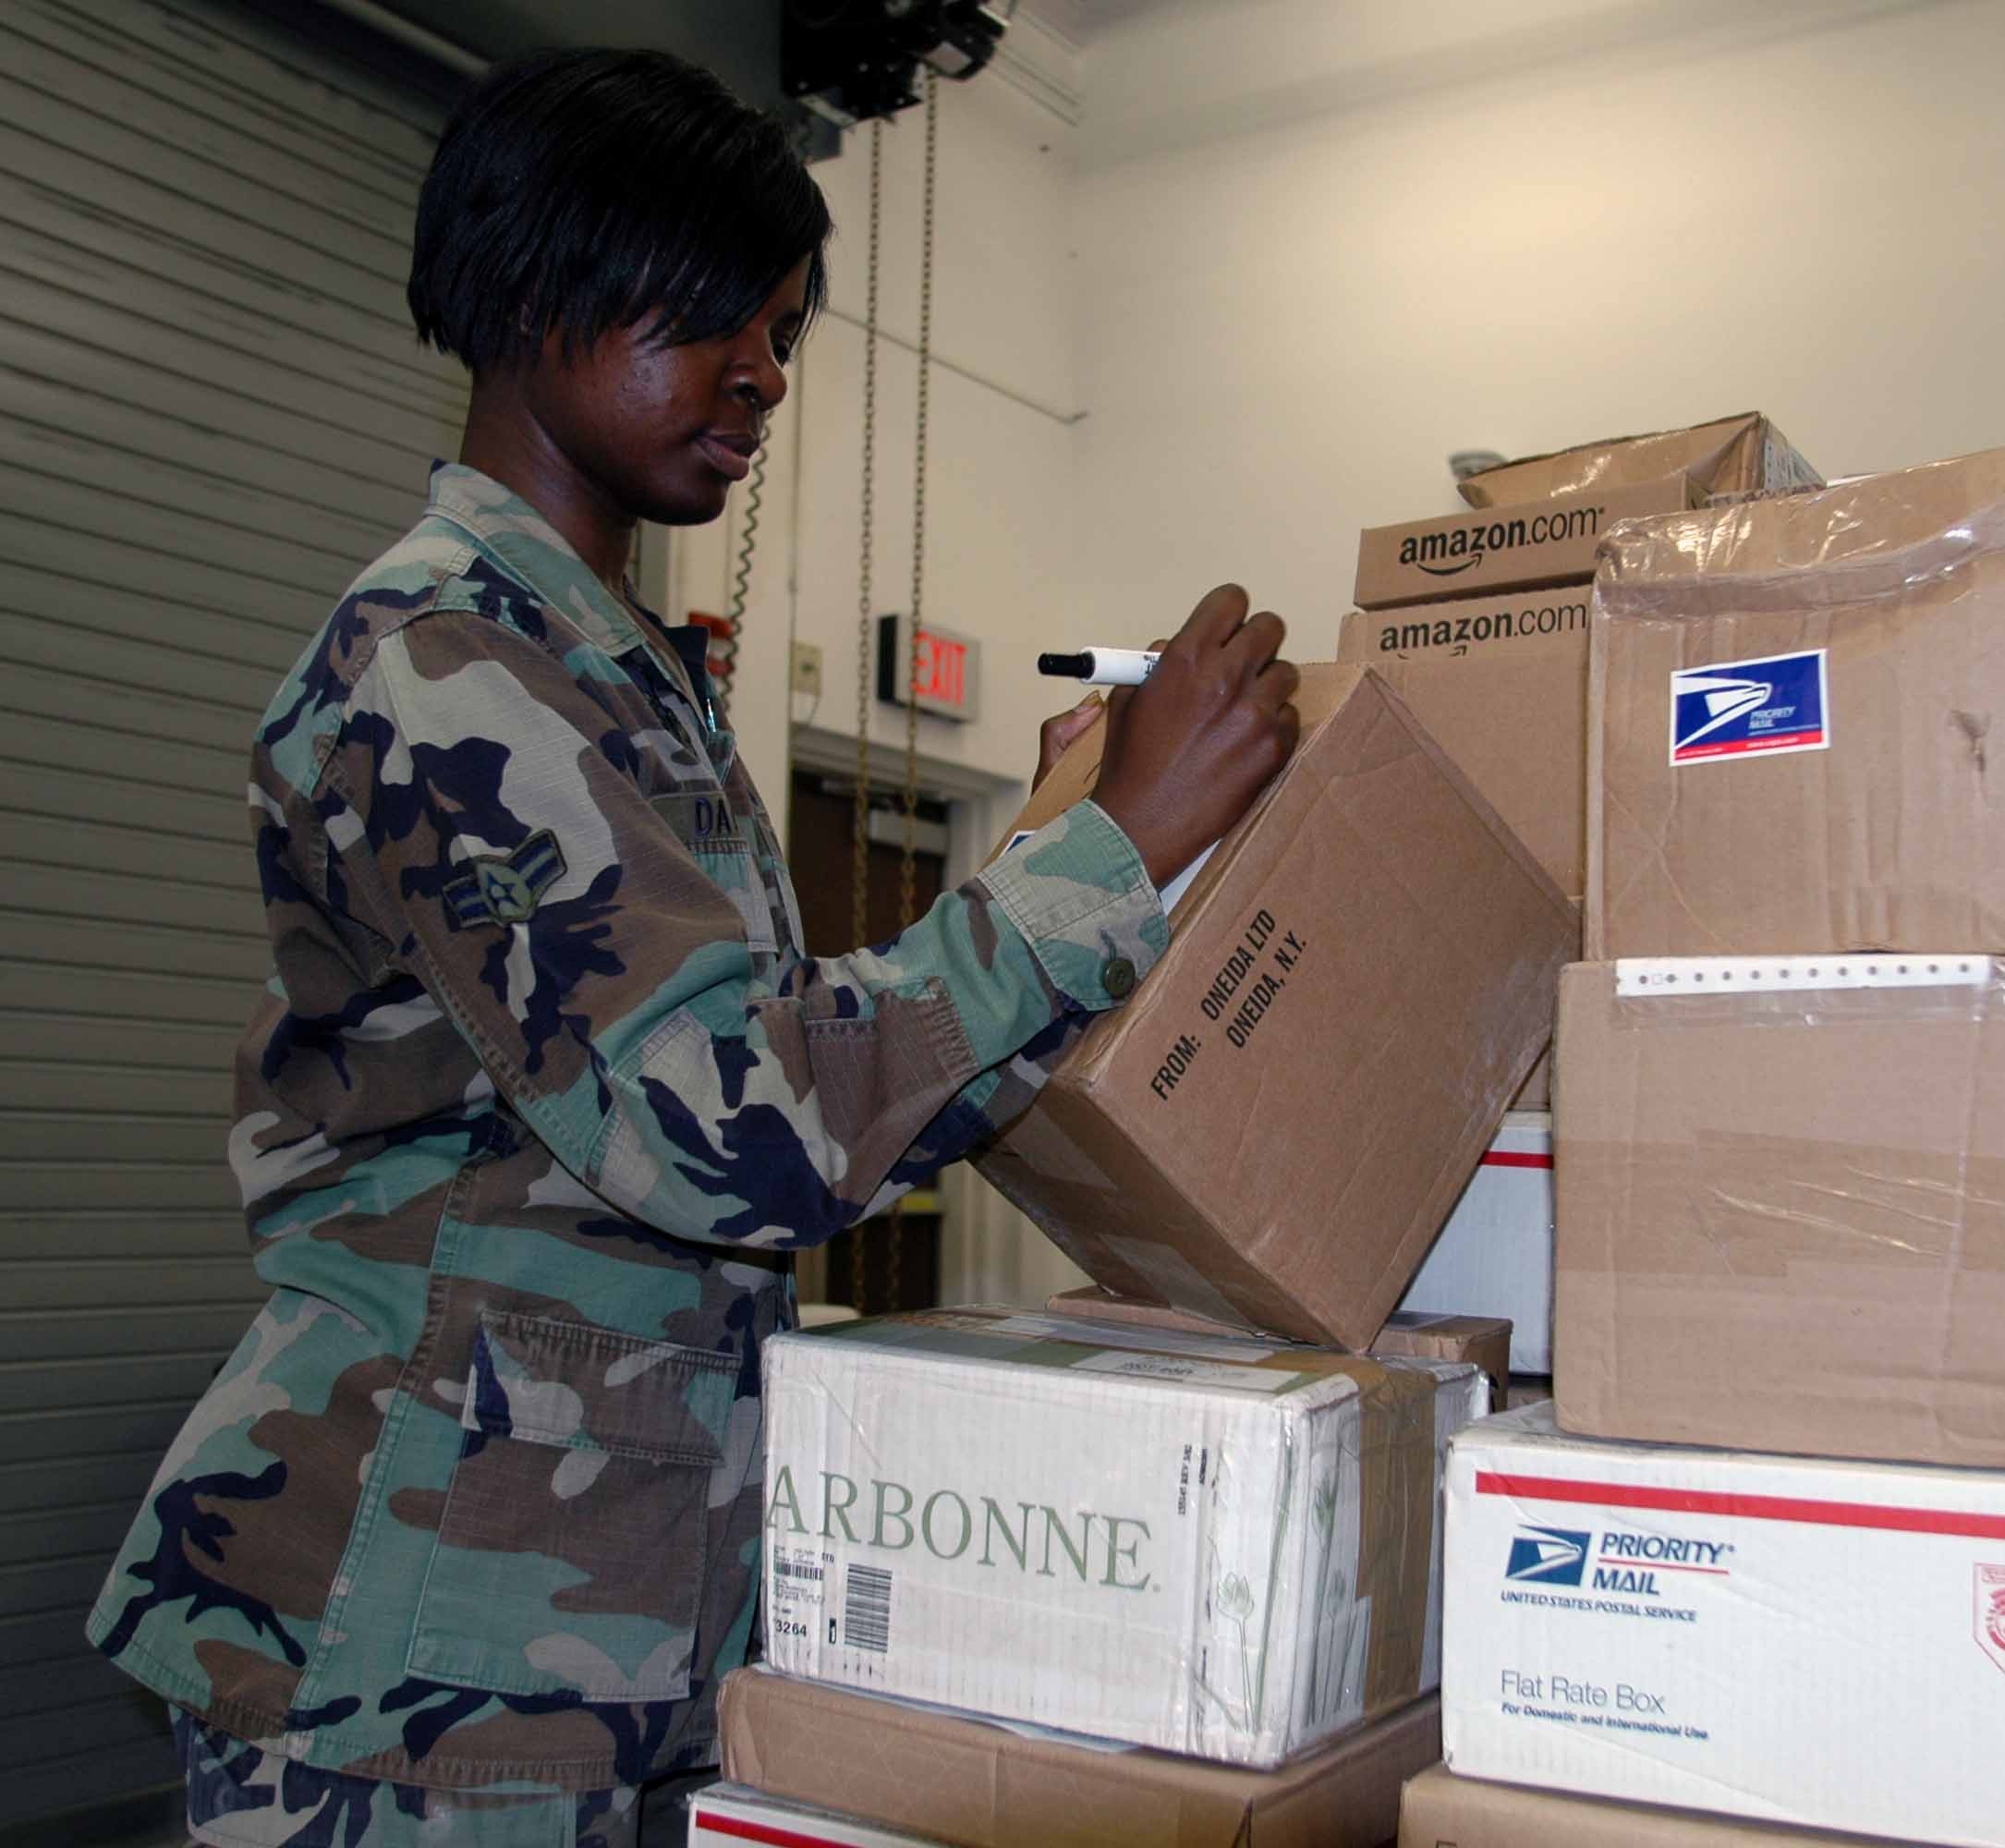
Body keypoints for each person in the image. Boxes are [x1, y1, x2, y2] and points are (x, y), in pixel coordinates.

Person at [87, 45, 1298, 1847]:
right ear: (528, 288)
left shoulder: (607, 677)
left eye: (782, 329)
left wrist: (1064, 859)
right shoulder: (445, 667)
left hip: (576, 1632)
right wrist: (1112, 854)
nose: (760, 373)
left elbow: (839, 1104)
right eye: (708, 313)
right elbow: (734, 1125)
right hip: (411, 1654)